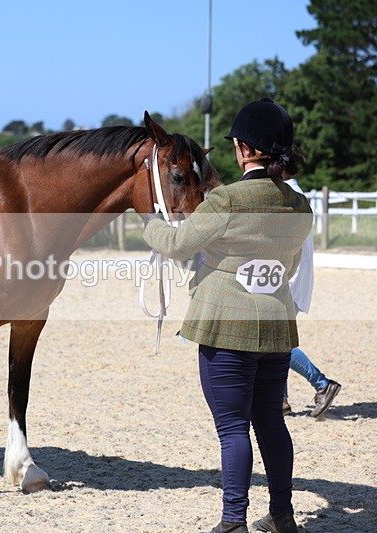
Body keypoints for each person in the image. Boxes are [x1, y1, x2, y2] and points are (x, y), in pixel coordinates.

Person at [142, 98, 313, 533]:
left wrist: (148, 221)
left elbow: (178, 244)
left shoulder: (226, 201)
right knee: (271, 423)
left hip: (225, 326)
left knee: (233, 429)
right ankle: (281, 515)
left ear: (244, 149)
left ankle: (233, 520)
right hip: (276, 326)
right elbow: (288, 268)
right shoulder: (299, 206)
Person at [281, 165, 342, 418]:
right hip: (291, 279)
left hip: (287, 281)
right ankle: (280, 400)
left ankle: (322, 384)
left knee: (279, 344)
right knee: (276, 343)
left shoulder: (289, 197)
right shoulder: (294, 194)